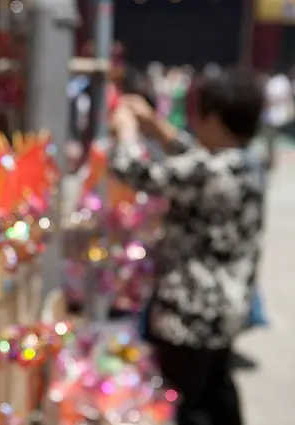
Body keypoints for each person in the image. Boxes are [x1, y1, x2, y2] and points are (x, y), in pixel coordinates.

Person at [109, 69, 266, 425]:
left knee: (186, 403)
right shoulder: (245, 164)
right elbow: (198, 159)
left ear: (212, 118)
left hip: (189, 314)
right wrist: (157, 126)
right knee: (217, 391)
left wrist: (128, 132)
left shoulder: (209, 171)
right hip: (226, 308)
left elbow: (133, 169)